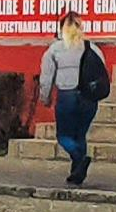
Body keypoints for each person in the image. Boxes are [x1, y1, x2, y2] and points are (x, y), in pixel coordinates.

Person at [37, 13, 109, 187]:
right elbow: (101, 72)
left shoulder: (55, 49)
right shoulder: (92, 48)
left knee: (64, 137)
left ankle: (80, 159)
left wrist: (44, 97)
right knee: (80, 135)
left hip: (67, 96)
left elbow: (46, 77)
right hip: (89, 99)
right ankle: (77, 174)